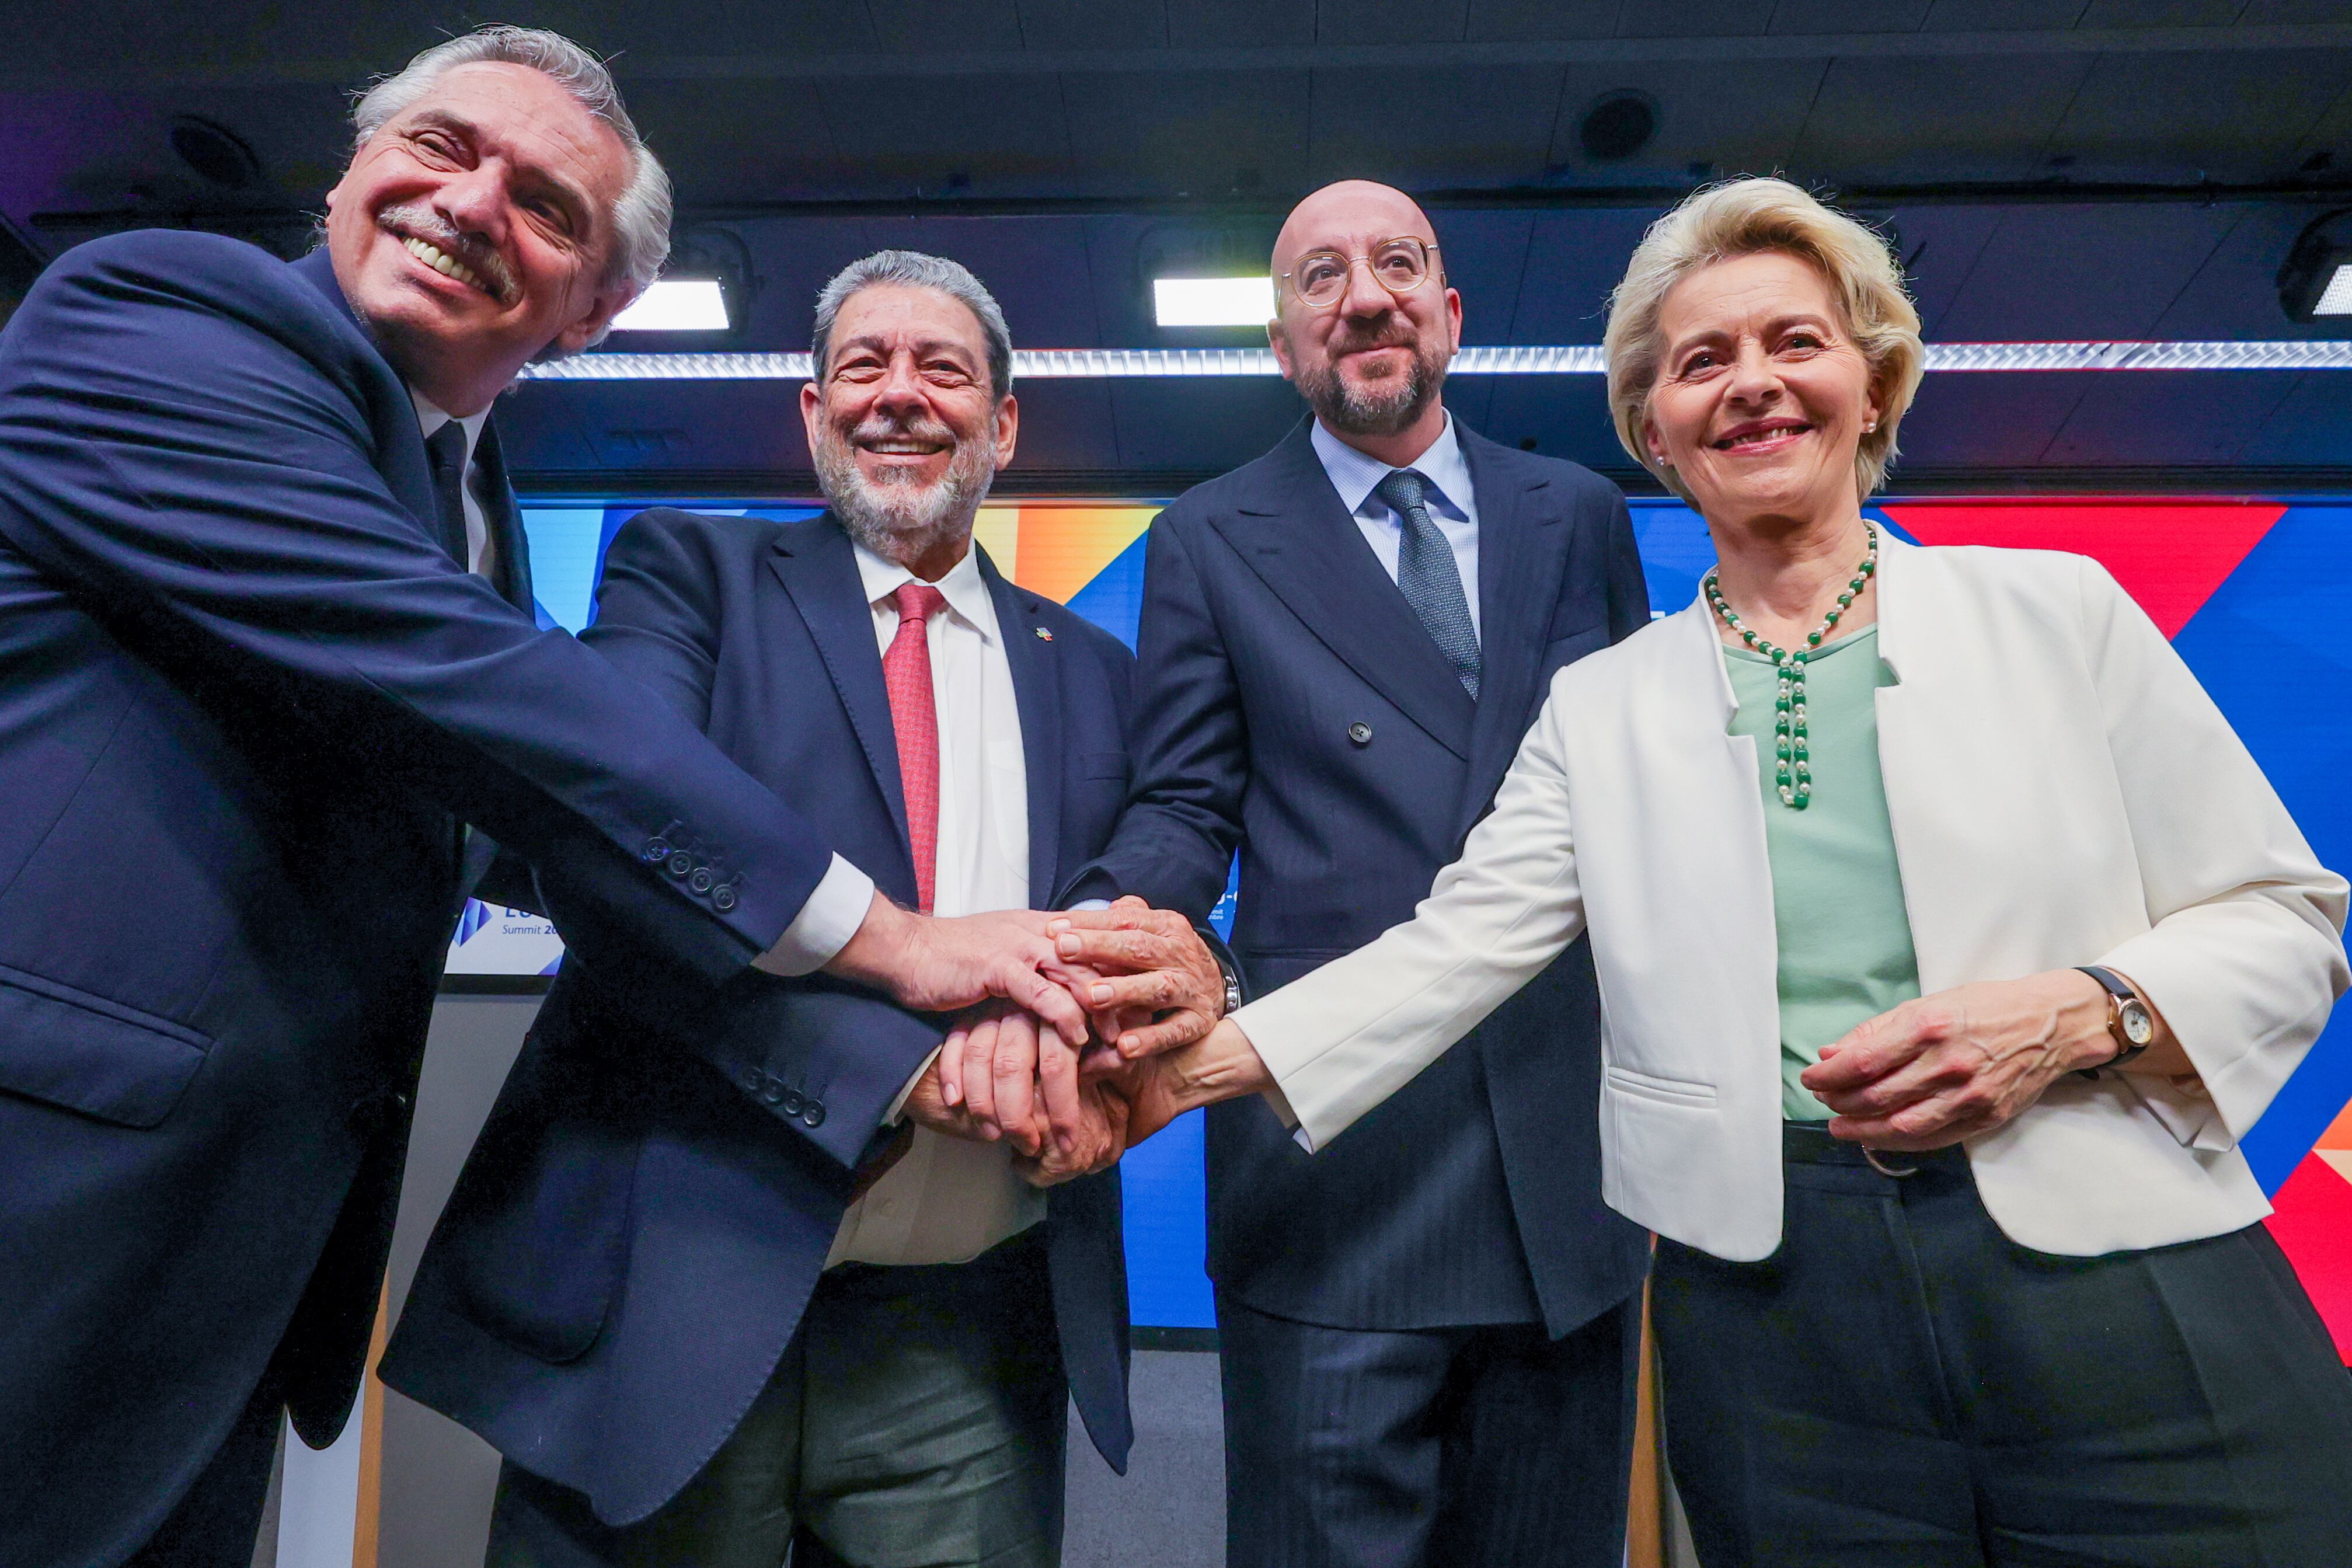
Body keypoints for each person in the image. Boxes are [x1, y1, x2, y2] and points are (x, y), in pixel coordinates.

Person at [1086, 176, 2352, 1567]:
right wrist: (1173, 1071)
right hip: (1776, 1290)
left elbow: (2285, 921)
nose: (1751, 385)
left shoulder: (2054, 609)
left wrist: (2078, 1009)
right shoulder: (1609, 704)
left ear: (1872, 384)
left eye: (1793, 343)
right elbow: (1458, 940)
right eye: (1701, 361)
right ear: (1656, 429)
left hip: (2123, 1262)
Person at [0, 33, 1102, 1568]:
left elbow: (517, 827)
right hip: (60, 1177)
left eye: (545, 205)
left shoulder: (468, 493)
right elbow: (497, 705)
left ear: (591, 310)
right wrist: (895, 949)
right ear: (346, 174)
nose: (472, 202)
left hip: (239, 1219)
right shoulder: (166, 318)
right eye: (441, 148)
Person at [384, 250, 1214, 1568]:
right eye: (861, 367)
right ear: (811, 416)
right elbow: (613, 858)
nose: (899, 396)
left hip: (972, 1327)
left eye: (942, 368)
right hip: (675, 1284)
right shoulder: (689, 579)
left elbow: (1153, 880)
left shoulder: (1099, 669)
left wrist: (1115, 1011)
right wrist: (915, 1069)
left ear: (1001, 423)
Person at [1051, 179, 1654, 1568]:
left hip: (1563, 1160)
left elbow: (1637, 808)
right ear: (1282, 344)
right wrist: (1125, 922)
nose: (1363, 294)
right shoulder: (1208, 533)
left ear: (1447, 315)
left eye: (1397, 264)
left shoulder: (1575, 513)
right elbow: (1184, 799)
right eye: (1320, 275)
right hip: (1333, 1165)